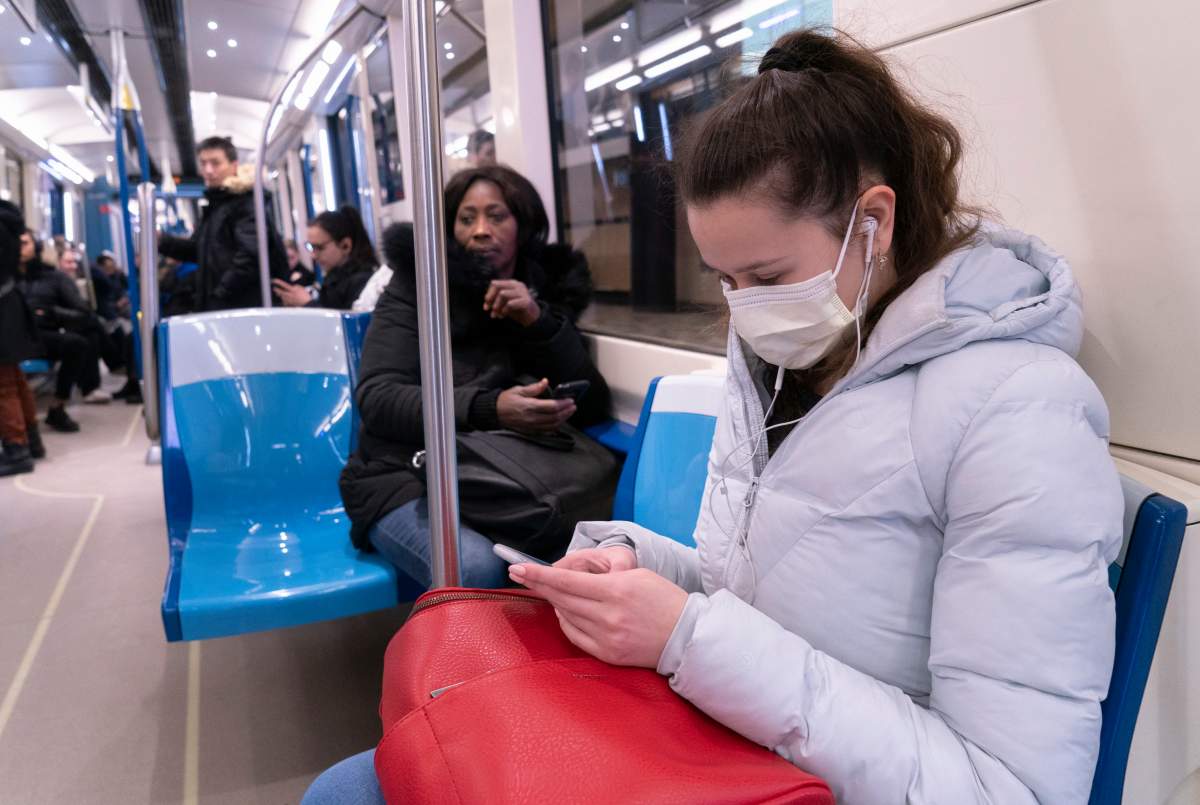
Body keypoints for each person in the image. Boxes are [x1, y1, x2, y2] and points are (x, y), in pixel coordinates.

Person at [306, 30, 1124, 805]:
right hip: (737, 735)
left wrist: (684, 639)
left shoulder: (1018, 414)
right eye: (724, 280)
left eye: (765, 274)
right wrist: (634, 564)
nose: (744, 312)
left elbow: (1010, 786)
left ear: (871, 224)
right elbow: (755, 591)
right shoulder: (780, 369)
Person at [337, 165, 611, 592]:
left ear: (523, 225)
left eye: (496, 216)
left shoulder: (542, 290)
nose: (481, 230)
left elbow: (593, 405)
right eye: (467, 219)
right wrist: (491, 407)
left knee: (598, 548)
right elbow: (378, 397)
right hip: (402, 477)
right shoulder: (417, 287)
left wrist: (538, 322)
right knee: (477, 567)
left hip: (498, 476)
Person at [158, 136, 288, 311]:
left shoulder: (245, 202)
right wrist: (162, 242)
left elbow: (250, 256)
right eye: (203, 164)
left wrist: (220, 294)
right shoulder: (217, 205)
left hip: (241, 305)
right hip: (226, 303)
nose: (208, 170)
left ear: (234, 166)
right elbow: (199, 250)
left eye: (215, 163)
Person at [17, 230, 111, 431]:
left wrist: (52, 314)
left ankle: (58, 405)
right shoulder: (8, 278)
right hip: (12, 336)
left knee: (76, 344)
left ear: (37, 247)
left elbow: (82, 312)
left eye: (25, 243)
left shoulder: (55, 278)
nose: (19, 248)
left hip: (41, 335)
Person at [0, 201, 44, 475]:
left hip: (2, 309)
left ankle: (16, 449)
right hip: (10, 303)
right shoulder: (8, 222)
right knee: (15, 379)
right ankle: (31, 439)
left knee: (3, 385)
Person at [272, 207, 377, 310]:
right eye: (311, 247)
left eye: (320, 248)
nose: (313, 255)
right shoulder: (334, 278)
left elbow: (346, 323)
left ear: (345, 245)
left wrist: (308, 303)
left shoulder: (364, 283)